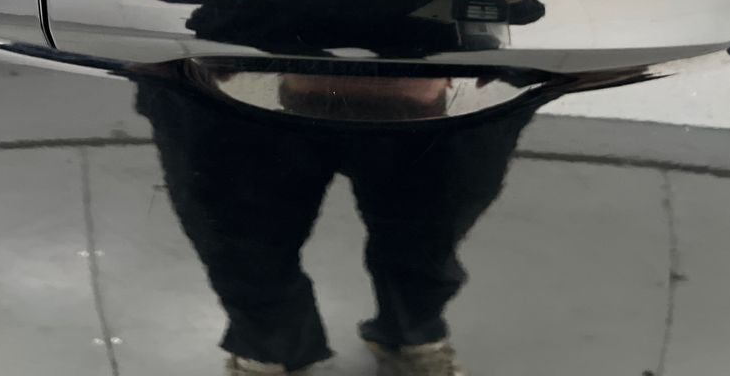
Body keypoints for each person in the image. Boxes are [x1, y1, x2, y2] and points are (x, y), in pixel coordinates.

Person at [132, 63, 537, 375]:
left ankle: (411, 337)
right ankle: (269, 349)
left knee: (429, 239)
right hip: (226, 65)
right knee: (238, 244)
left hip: (448, 70)